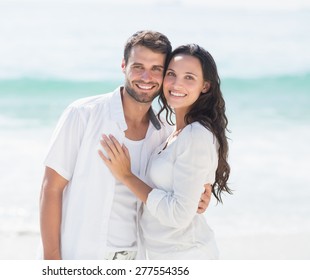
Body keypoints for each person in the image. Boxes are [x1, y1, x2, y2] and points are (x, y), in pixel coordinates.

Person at [39, 31, 212, 260]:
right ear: (123, 65)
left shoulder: (165, 135)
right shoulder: (83, 115)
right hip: (80, 255)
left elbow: (177, 194)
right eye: (138, 66)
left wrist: (201, 195)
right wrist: (52, 260)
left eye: (156, 69)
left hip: (136, 258)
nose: (146, 77)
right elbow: (51, 188)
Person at [99, 44, 232, 259]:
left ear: (205, 86)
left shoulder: (196, 135)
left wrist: (126, 176)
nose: (177, 84)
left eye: (189, 77)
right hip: (163, 255)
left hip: (188, 255)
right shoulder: (172, 133)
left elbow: (179, 215)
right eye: (171, 74)